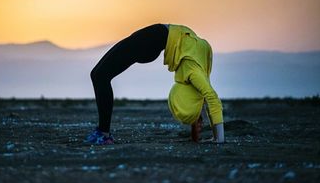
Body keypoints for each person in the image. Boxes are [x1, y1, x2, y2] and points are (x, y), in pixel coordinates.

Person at [86, 23, 224, 145]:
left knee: (99, 76)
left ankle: (103, 134)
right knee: (98, 75)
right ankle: (103, 133)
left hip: (154, 38)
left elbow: (211, 98)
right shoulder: (195, 78)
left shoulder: (192, 71)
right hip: (155, 40)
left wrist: (218, 138)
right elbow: (210, 98)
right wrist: (216, 138)